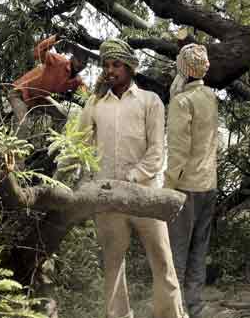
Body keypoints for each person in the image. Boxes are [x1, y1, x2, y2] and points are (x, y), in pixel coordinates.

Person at [79, 38, 187, 318]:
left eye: (116, 65)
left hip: (145, 195)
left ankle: (171, 314)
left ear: (130, 67)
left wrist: (132, 178)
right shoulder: (94, 103)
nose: (110, 70)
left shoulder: (150, 101)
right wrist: (87, 182)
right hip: (108, 197)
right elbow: (80, 145)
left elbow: (157, 151)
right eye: (106, 65)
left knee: (162, 261)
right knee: (112, 264)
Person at [164, 43, 218, 318]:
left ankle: (174, 309)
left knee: (176, 251)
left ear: (183, 70)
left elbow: (178, 151)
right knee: (199, 249)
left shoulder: (181, 102)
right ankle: (195, 307)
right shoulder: (210, 96)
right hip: (209, 184)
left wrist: (168, 186)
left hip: (186, 188)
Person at [9, 34, 87, 137]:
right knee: (22, 124)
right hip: (20, 92)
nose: (81, 65)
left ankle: (50, 143)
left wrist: (73, 95)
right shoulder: (59, 61)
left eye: (84, 63)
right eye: (79, 60)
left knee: (62, 117)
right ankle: (12, 147)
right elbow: (37, 52)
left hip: (39, 98)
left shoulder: (76, 81)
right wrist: (55, 38)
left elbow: (85, 93)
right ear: (72, 58)